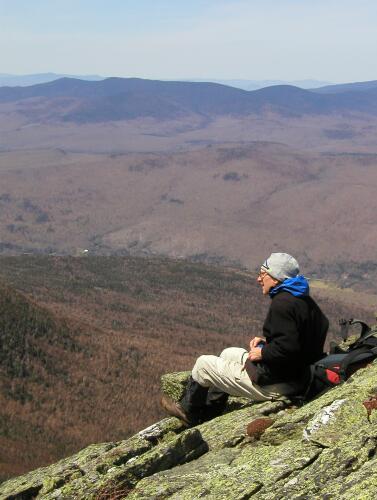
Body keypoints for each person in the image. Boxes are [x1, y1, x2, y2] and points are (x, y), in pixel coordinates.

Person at [161, 253, 329, 425]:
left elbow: (289, 348)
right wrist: (268, 343)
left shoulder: (282, 303)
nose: (258, 279)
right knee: (229, 353)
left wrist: (264, 352)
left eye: (263, 274)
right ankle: (211, 409)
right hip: (299, 377)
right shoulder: (303, 299)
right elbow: (302, 339)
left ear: (276, 277)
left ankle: (190, 413)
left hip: (278, 385)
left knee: (203, 364)